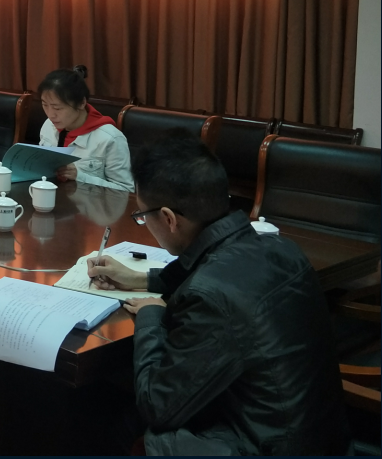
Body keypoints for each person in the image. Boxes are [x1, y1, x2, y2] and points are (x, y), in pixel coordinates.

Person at [88, 133, 348, 455]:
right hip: (323, 436)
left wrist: (151, 315)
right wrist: (141, 278)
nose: (145, 223)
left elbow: (158, 406)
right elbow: (218, 270)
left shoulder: (210, 298)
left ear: (168, 218)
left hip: (267, 446)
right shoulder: (282, 248)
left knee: (118, 419)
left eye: (142, 216)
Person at [37, 65, 133, 191]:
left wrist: (80, 176)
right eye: (45, 105)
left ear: (82, 103)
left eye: (57, 108)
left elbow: (126, 191)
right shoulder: (48, 125)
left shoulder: (110, 138)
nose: (50, 114)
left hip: (88, 203)